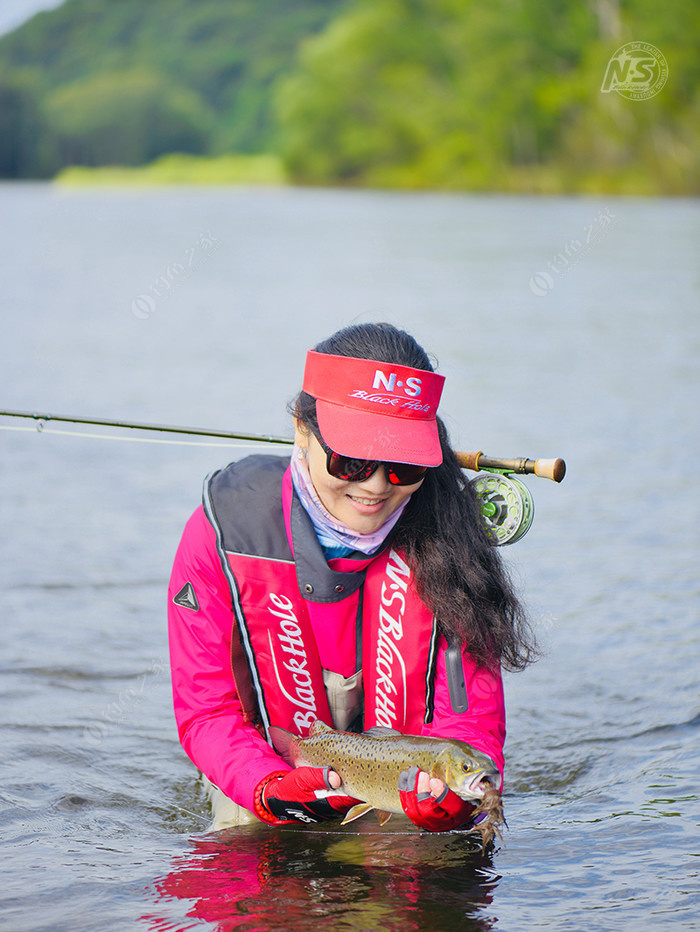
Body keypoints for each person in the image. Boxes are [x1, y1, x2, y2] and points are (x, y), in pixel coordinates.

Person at [168, 323, 534, 831]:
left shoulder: (455, 543)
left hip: (406, 778)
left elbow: (469, 720)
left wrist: (448, 804)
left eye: (404, 466)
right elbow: (207, 709)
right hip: (268, 766)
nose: (377, 486)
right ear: (302, 428)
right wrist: (269, 786)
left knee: (421, 871)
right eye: (353, 460)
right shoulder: (220, 531)